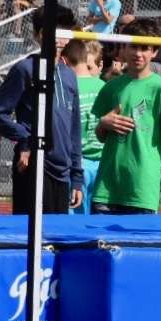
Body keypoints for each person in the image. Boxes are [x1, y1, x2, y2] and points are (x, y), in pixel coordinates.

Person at [0, 5, 84, 215]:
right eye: (50, 31)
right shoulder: (25, 69)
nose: (56, 38)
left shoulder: (69, 76)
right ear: (37, 35)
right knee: (30, 236)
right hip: (33, 163)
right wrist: (25, 139)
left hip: (62, 170)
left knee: (57, 238)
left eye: (62, 32)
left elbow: (74, 130)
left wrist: (77, 175)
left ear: (68, 38)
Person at [90, 18, 161, 215]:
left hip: (142, 190)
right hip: (107, 188)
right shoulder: (111, 87)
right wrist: (103, 123)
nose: (137, 53)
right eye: (133, 46)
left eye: (145, 48)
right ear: (124, 48)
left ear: (154, 52)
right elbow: (100, 136)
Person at [61, 39, 105, 215]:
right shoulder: (106, 87)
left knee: (74, 224)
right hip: (103, 164)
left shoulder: (67, 87)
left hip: (78, 165)